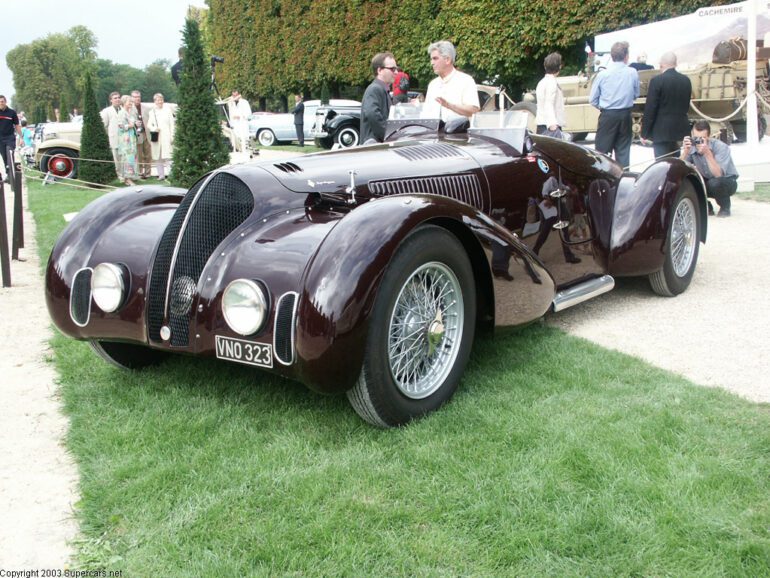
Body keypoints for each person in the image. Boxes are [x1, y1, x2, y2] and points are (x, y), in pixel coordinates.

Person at [589, 41, 640, 169]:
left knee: (602, 153)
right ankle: (623, 179)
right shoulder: (632, 72)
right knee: (623, 152)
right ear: (626, 56)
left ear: (611, 56)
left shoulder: (602, 75)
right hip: (625, 114)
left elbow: (592, 99)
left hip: (608, 115)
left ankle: (603, 179)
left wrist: (604, 108)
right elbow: (636, 94)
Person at [680, 120, 738, 217]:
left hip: (727, 181)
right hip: (707, 180)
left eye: (702, 138)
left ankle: (725, 207)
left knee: (715, 183)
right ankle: (706, 206)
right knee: (687, 181)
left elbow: (718, 174)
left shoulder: (720, 147)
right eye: (696, 138)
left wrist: (707, 153)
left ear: (709, 136)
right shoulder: (692, 147)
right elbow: (680, 168)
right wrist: (685, 152)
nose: (698, 141)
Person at [640, 52, 692, 159]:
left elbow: (651, 108)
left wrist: (644, 133)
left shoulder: (657, 81)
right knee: (677, 162)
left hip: (661, 130)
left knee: (662, 164)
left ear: (661, 64)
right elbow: (686, 105)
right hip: (680, 129)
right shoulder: (686, 80)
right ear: (675, 64)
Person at [423, 40, 480, 122]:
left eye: (435, 58)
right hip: (433, 133)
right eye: (431, 59)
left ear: (447, 60)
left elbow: (474, 110)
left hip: (459, 134)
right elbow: (426, 114)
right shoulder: (433, 84)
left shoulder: (466, 81)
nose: (432, 63)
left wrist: (449, 105)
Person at [360, 52, 398, 144]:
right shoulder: (374, 89)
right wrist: (388, 136)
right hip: (373, 148)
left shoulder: (381, 89)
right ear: (379, 70)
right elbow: (373, 115)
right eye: (392, 69)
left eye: (396, 69)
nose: (396, 72)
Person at [535, 52, 566, 136]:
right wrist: (552, 124)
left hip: (542, 123)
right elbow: (549, 103)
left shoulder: (542, 82)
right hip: (550, 126)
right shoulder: (552, 83)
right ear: (559, 66)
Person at [146, 93, 175, 180]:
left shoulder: (168, 110)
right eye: (158, 100)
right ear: (154, 101)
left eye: (161, 100)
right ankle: (161, 175)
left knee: (168, 156)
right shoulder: (152, 112)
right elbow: (149, 125)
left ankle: (171, 174)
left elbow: (172, 124)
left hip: (166, 136)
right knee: (158, 157)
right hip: (157, 137)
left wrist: (172, 136)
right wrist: (154, 128)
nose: (160, 102)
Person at [115, 95, 138, 186]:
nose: (131, 104)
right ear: (124, 103)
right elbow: (120, 126)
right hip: (126, 139)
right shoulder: (121, 113)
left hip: (131, 138)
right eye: (129, 102)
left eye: (132, 102)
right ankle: (127, 178)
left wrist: (136, 124)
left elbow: (132, 122)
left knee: (132, 157)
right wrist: (130, 126)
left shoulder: (130, 112)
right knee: (127, 158)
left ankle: (131, 176)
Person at [0, 95, 22, 183]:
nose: (1, 103)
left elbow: (17, 125)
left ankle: (12, 175)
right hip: (0, 139)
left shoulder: (12, 112)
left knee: (9, 153)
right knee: (4, 157)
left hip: (10, 138)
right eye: (0, 101)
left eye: (2, 101)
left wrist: (21, 137)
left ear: (5, 102)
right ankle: (9, 175)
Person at [131, 90, 152, 179]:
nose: (137, 98)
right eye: (135, 97)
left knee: (148, 155)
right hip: (137, 134)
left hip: (146, 133)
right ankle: (139, 173)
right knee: (139, 155)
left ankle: (148, 173)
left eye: (138, 97)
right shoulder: (130, 108)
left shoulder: (146, 108)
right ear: (132, 98)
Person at [100, 91, 122, 173]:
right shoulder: (107, 111)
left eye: (118, 97)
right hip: (113, 138)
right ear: (111, 100)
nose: (117, 99)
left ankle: (125, 175)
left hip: (124, 139)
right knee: (116, 159)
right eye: (115, 98)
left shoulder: (123, 109)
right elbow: (104, 125)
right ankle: (119, 175)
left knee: (123, 159)